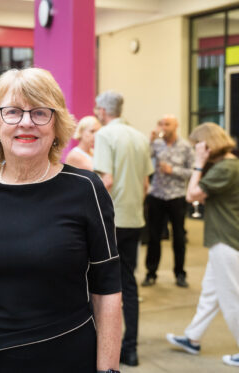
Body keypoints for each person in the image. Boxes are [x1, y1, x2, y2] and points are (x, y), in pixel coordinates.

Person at [0, 68, 122, 373]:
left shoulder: (85, 189)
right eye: (12, 112)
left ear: (57, 124)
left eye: (40, 112)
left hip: (67, 358)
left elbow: (107, 290)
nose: (26, 122)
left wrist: (108, 370)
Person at [166, 122, 239, 368]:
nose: (195, 149)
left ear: (207, 144)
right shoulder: (228, 165)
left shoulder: (226, 168)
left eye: (197, 145)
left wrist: (199, 164)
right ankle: (193, 337)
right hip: (223, 239)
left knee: (234, 299)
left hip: (227, 241)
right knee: (210, 294)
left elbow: (191, 195)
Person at [93, 90, 153, 367]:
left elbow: (106, 180)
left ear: (104, 111)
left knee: (103, 287)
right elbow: (145, 185)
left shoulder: (105, 135)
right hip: (135, 219)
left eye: (97, 109)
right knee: (129, 285)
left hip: (111, 222)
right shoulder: (140, 137)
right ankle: (131, 349)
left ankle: (103, 349)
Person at [142, 115, 194, 288]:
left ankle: (180, 273)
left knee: (178, 237)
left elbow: (192, 172)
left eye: (167, 124)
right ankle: (151, 273)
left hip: (177, 197)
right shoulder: (156, 144)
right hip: (156, 195)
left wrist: (173, 170)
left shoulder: (186, 146)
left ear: (176, 126)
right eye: (162, 123)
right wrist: (149, 142)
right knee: (154, 237)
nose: (164, 127)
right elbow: (144, 160)